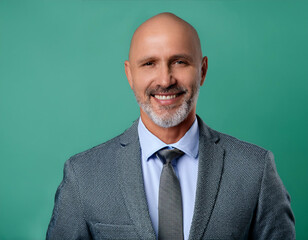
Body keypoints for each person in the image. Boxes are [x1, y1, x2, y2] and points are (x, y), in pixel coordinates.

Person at [46, 13, 295, 240]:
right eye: (149, 64)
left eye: (179, 62)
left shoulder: (256, 169)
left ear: (203, 70)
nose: (165, 80)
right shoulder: (83, 175)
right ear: (130, 75)